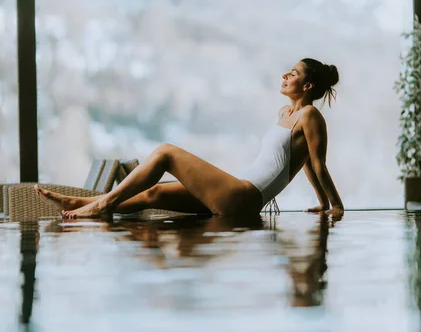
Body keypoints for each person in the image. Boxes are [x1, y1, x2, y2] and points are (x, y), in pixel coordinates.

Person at [34, 58, 344, 220]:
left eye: (293, 73)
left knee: (166, 152)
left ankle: (102, 204)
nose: (285, 76)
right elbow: (302, 162)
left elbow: (319, 165)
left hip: (244, 196)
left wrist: (336, 206)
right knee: (154, 194)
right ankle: (83, 203)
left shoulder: (310, 117)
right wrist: (320, 202)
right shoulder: (284, 112)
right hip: (238, 192)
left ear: (308, 85)